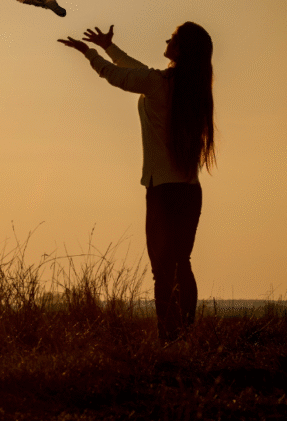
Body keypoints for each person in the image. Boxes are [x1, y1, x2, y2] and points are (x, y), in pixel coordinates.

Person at [58, 23, 216, 343]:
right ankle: (184, 334)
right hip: (188, 191)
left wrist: (89, 52)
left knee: (163, 268)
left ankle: (169, 337)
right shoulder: (188, 88)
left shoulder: (158, 83)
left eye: (173, 38)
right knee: (181, 263)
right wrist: (109, 48)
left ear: (181, 49)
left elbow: (120, 76)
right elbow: (138, 71)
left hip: (163, 192)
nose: (167, 39)